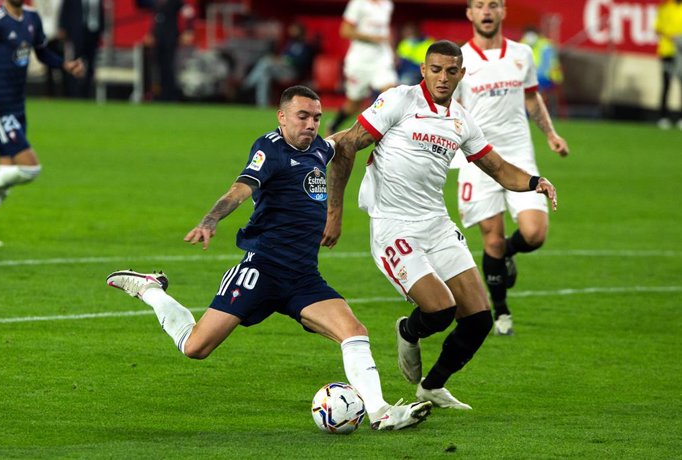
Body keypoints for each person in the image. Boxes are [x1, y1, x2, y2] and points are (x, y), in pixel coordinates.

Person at [106, 85, 432, 430]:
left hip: (303, 277)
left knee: (354, 331)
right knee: (195, 347)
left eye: (317, 118)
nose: (311, 124)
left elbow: (346, 140)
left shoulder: (320, 148)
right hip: (261, 269)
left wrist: (394, 123)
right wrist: (210, 219)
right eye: (302, 116)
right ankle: (151, 289)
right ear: (282, 117)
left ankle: (381, 412)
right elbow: (240, 189)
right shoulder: (269, 149)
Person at [322, 41, 558, 409]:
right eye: (436, 70)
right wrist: (334, 213)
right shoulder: (399, 101)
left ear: (461, 74)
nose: (443, 78)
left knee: (479, 319)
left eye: (451, 71)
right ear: (423, 70)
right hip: (394, 226)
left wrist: (534, 182)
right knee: (441, 310)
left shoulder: (461, 119)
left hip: (435, 223)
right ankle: (408, 330)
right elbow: (348, 144)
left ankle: (431, 387)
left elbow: (497, 168)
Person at [454, 0, 569, 336]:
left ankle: (509, 253)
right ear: (470, 13)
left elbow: (532, 98)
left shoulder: (523, 55)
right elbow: (453, 110)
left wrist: (550, 133)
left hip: (519, 155)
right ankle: (501, 311)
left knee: (534, 233)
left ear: (503, 11)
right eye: (479, 5)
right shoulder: (460, 60)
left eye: (493, 5)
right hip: (478, 158)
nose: (486, 11)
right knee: (491, 239)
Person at [0, 0, 84, 246]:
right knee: (29, 169)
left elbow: (42, 52)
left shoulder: (32, 19)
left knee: (6, 177)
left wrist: (65, 65)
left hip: (17, 106)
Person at [326, 0, 397, 135]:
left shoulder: (387, 4)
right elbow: (345, 30)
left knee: (391, 95)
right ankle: (334, 124)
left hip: (381, 59)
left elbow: (386, 31)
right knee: (354, 104)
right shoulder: (358, 4)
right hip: (360, 62)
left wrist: (392, 52)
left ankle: (386, 135)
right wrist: (371, 38)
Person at [243, 22, 315, 107]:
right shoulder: (291, 43)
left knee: (265, 62)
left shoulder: (305, 46)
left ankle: (246, 85)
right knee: (264, 75)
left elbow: (301, 61)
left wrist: (283, 60)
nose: (292, 33)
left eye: (295, 31)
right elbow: (283, 56)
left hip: (292, 72)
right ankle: (262, 106)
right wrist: (279, 60)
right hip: (282, 69)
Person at [58, 0, 105, 99]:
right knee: (76, 63)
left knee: (91, 66)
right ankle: (74, 94)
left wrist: (102, 30)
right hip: (78, 34)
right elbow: (65, 10)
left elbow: (101, 13)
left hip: (93, 34)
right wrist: (63, 27)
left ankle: (86, 94)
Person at [520, 25, 563, 116]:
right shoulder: (520, 45)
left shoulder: (546, 45)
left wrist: (556, 78)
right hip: (526, 78)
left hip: (544, 77)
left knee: (535, 86)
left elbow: (551, 64)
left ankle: (537, 111)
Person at [654, 0, 682, 130]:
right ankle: (663, 117)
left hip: (681, 52)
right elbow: (657, 28)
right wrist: (670, 36)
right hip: (668, 50)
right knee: (666, 83)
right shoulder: (665, 8)